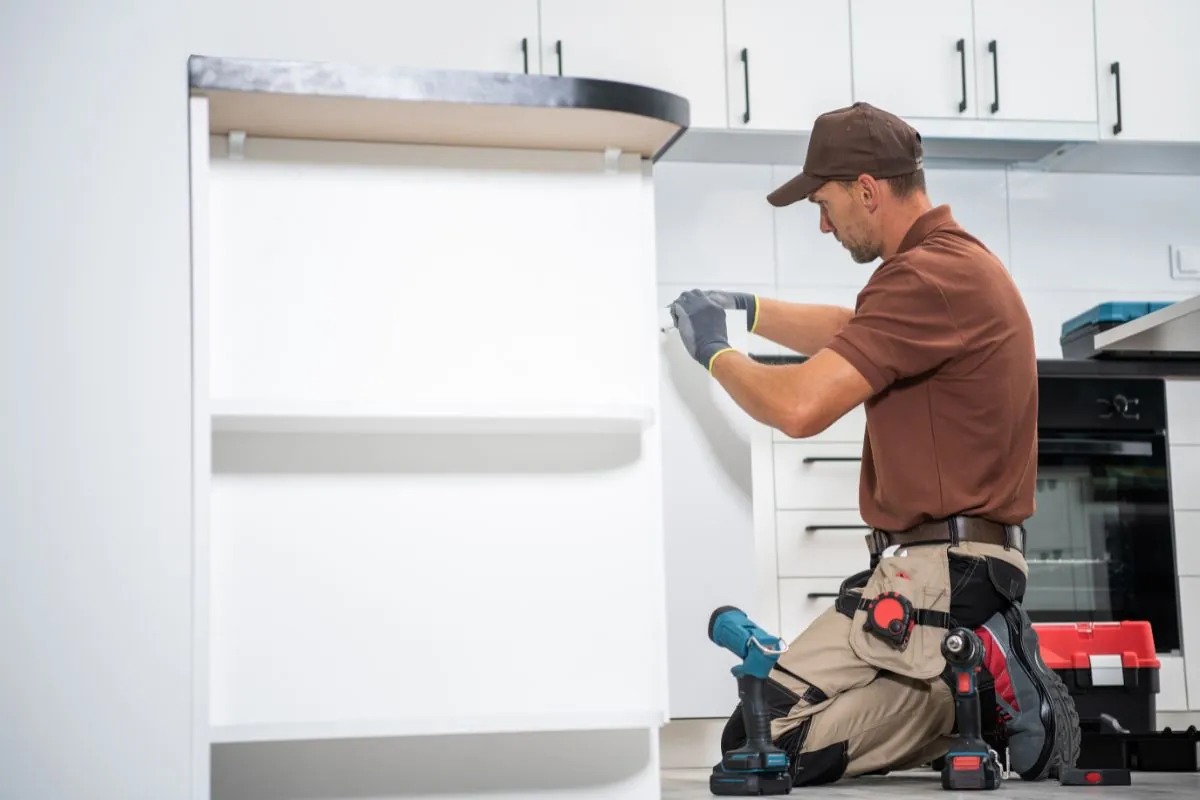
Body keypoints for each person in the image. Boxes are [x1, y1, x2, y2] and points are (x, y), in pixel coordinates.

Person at [667, 102, 1079, 787]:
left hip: (938, 577)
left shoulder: (924, 276)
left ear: (866, 188)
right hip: (954, 572)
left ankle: (972, 681)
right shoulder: (947, 266)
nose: (823, 224)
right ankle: (966, 690)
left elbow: (798, 407)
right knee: (766, 727)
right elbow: (850, 325)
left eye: (825, 204)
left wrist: (715, 351)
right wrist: (745, 307)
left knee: (764, 742)